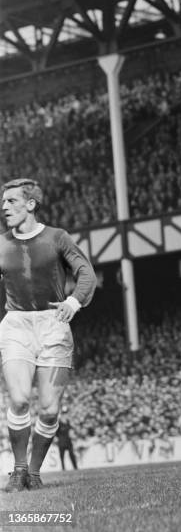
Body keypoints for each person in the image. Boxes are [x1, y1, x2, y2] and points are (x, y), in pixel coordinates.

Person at [0, 179, 96, 491]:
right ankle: (18, 469)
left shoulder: (57, 237)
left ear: (31, 204)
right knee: (18, 398)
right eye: (3, 202)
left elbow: (85, 272)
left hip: (53, 323)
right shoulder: (1, 244)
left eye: (12, 201)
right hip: (16, 324)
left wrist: (73, 301)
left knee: (51, 409)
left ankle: (35, 472)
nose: (4, 207)